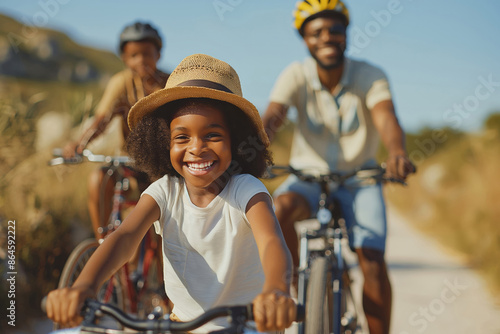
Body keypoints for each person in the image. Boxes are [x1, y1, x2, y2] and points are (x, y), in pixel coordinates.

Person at [47, 54, 297, 333]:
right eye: (182, 137)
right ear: (163, 142)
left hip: (246, 325)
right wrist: (84, 286)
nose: (196, 147)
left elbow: (271, 241)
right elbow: (125, 237)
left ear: (235, 141)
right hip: (181, 325)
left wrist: (277, 290)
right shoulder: (165, 191)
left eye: (212, 135)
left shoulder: (246, 190)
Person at [261, 1, 415, 333]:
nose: (327, 37)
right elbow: (272, 119)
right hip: (308, 175)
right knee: (280, 208)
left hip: (360, 178)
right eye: (316, 32)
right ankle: (297, 286)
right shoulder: (296, 74)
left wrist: (397, 151)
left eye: (335, 30)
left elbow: (387, 118)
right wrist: (254, 151)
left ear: (346, 35)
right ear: (305, 40)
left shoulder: (369, 75)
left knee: (371, 261)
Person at [63, 21, 169, 237]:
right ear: (124, 58)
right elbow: (102, 120)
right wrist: (80, 144)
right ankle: (102, 245)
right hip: (129, 164)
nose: (140, 60)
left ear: (158, 54)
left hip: (161, 167)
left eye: (147, 53)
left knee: (165, 224)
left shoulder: (168, 84)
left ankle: (163, 264)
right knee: (98, 180)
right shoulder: (121, 82)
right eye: (134, 55)